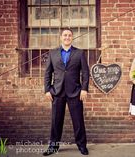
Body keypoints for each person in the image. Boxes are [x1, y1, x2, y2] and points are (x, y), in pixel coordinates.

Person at [43, 28, 89, 156]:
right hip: (57, 92)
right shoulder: (52, 53)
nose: (67, 37)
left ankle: (82, 146)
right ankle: (53, 146)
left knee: (78, 121)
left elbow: (85, 72)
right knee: (56, 121)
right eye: (65, 35)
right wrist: (47, 90)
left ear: (72, 37)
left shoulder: (79, 53)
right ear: (61, 37)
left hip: (75, 91)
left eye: (69, 35)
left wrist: (84, 89)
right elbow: (47, 73)